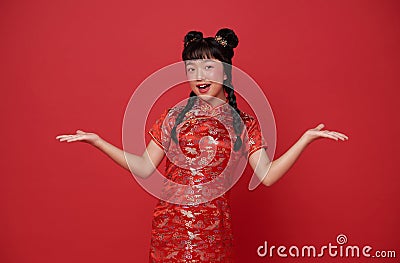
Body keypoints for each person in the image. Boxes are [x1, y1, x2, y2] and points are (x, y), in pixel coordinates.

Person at [56, 28, 348, 262]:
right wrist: (98, 142)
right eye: (192, 68)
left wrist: (305, 140)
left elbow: (267, 176)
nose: (199, 76)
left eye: (208, 67)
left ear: (224, 72)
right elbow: (143, 167)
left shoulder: (242, 123)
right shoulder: (174, 116)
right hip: (170, 230)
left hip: (213, 233)